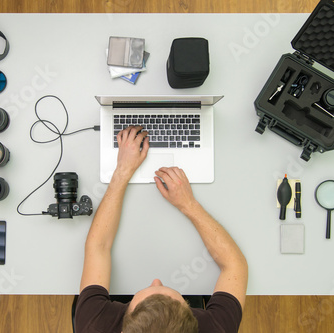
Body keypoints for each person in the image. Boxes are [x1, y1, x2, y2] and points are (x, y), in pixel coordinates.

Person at [75, 126, 248, 333]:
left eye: (152, 289)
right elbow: (234, 264)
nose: (156, 281)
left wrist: (122, 170)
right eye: (173, 295)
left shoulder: (94, 325)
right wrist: (189, 204)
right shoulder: (216, 329)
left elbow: (98, 245)